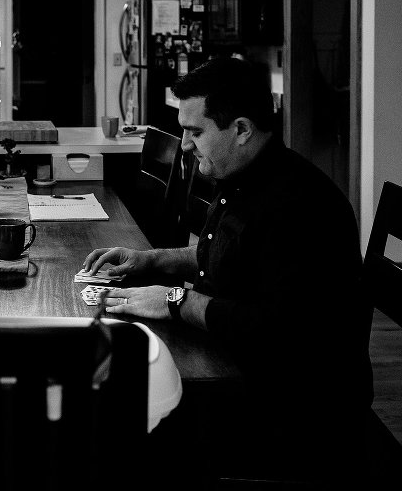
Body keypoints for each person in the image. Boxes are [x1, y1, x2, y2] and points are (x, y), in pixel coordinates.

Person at [83, 57, 372, 486]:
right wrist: (151, 259)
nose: (185, 145)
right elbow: (221, 254)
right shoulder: (241, 177)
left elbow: (271, 327)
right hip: (238, 370)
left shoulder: (299, 206)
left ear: (241, 130)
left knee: (118, 423)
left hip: (294, 413)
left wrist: (176, 300)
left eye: (195, 132)